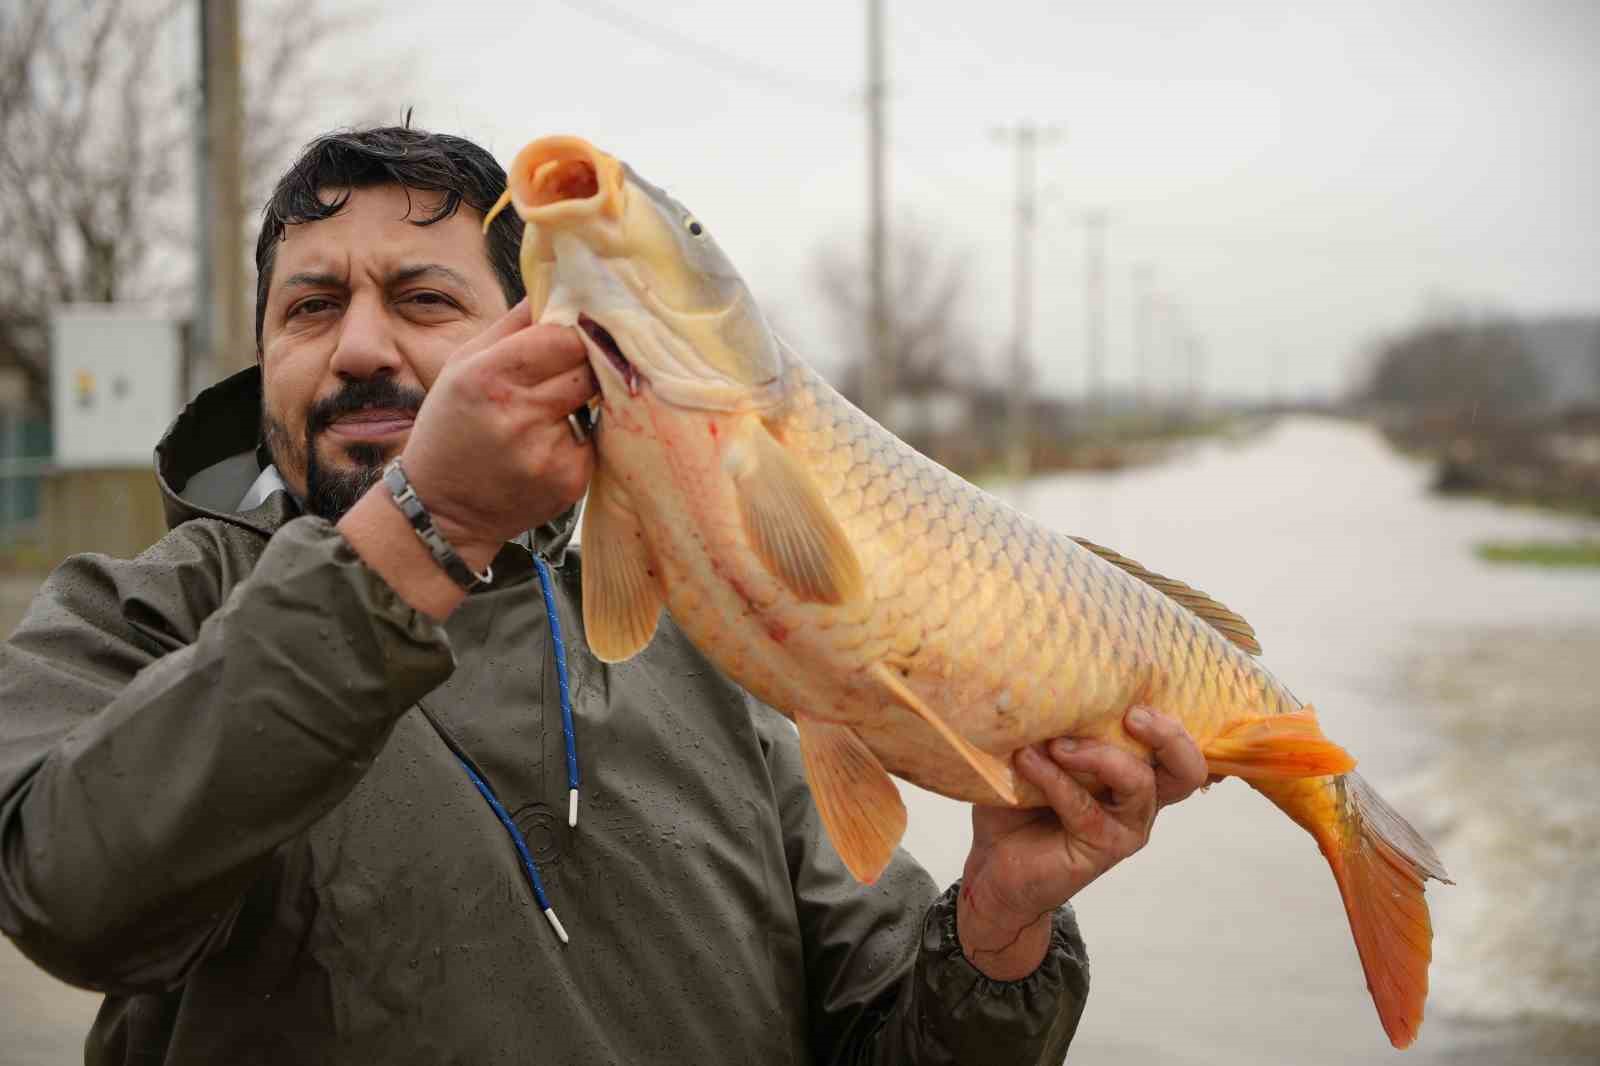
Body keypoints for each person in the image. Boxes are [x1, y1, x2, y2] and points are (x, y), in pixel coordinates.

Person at [0, 126, 1209, 1064]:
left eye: (424, 301)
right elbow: (65, 895)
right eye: (311, 307)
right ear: (263, 355)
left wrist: (997, 936)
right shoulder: (138, 612)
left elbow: (884, 1035)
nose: (362, 347)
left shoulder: (706, 643)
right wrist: (428, 524)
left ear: (544, 336)